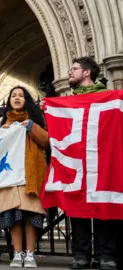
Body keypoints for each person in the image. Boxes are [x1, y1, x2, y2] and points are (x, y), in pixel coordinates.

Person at [68, 56, 117, 270]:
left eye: (74, 69)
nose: (69, 72)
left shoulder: (107, 96)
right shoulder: (68, 101)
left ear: (87, 72)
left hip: (101, 160)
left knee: (102, 205)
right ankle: (82, 254)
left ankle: (106, 253)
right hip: (78, 161)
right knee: (78, 206)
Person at [0, 86, 49, 268]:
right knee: (13, 217)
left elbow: (46, 142)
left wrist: (31, 127)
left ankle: (30, 254)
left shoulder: (34, 120)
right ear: (9, 100)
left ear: (26, 100)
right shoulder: (3, 122)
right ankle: (17, 254)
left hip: (30, 175)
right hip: (10, 177)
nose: (17, 98)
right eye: (14, 95)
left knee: (30, 216)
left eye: (21, 95)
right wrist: (3, 131)